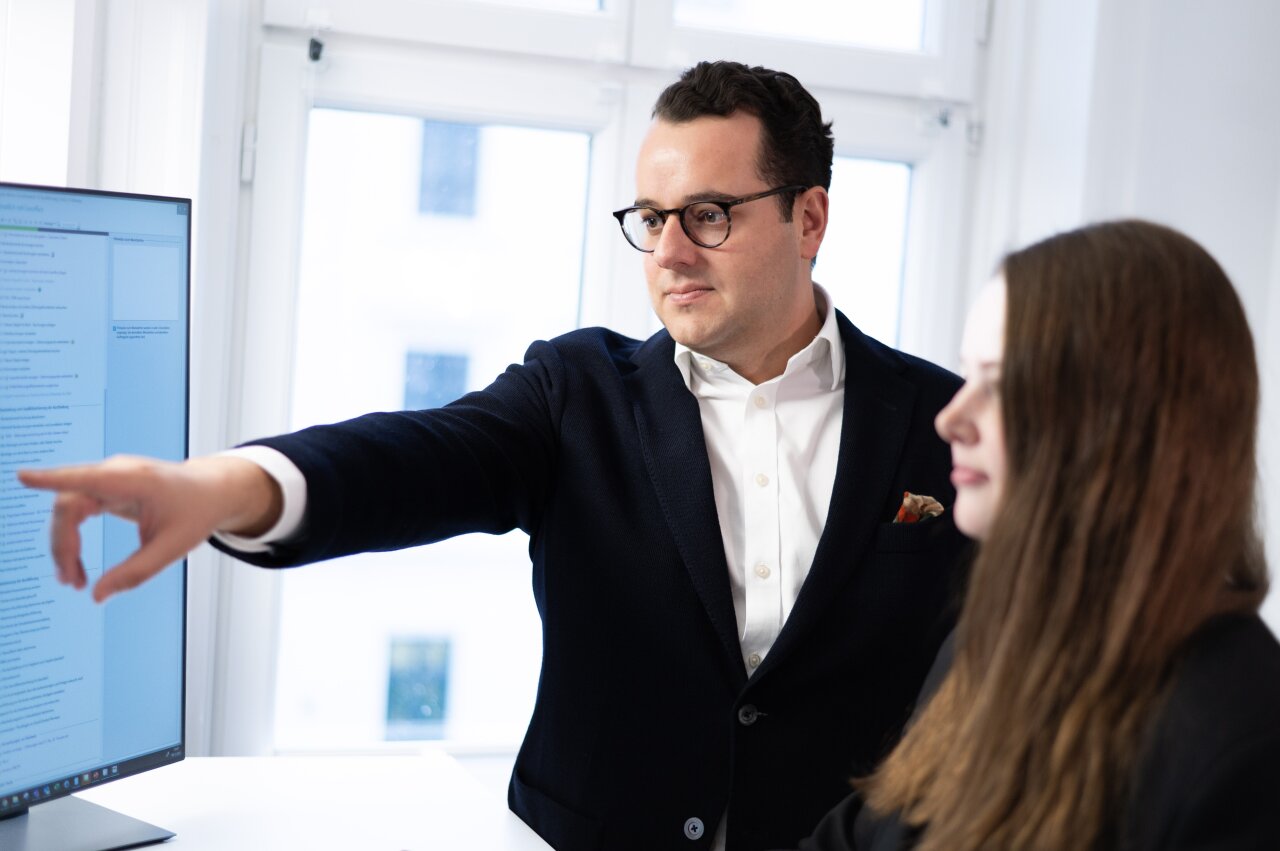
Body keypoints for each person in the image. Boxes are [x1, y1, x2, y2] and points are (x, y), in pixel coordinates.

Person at [17, 61, 969, 851]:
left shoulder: (943, 420)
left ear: (809, 220)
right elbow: (422, 457)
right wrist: (224, 485)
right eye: (650, 216)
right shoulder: (579, 391)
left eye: (710, 213)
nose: (670, 251)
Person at [796, 219, 1280, 851]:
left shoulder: (1241, 734)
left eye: (1001, 386)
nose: (951, 418)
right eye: (968, 377)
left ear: (1123, 421)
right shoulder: (990, 640)